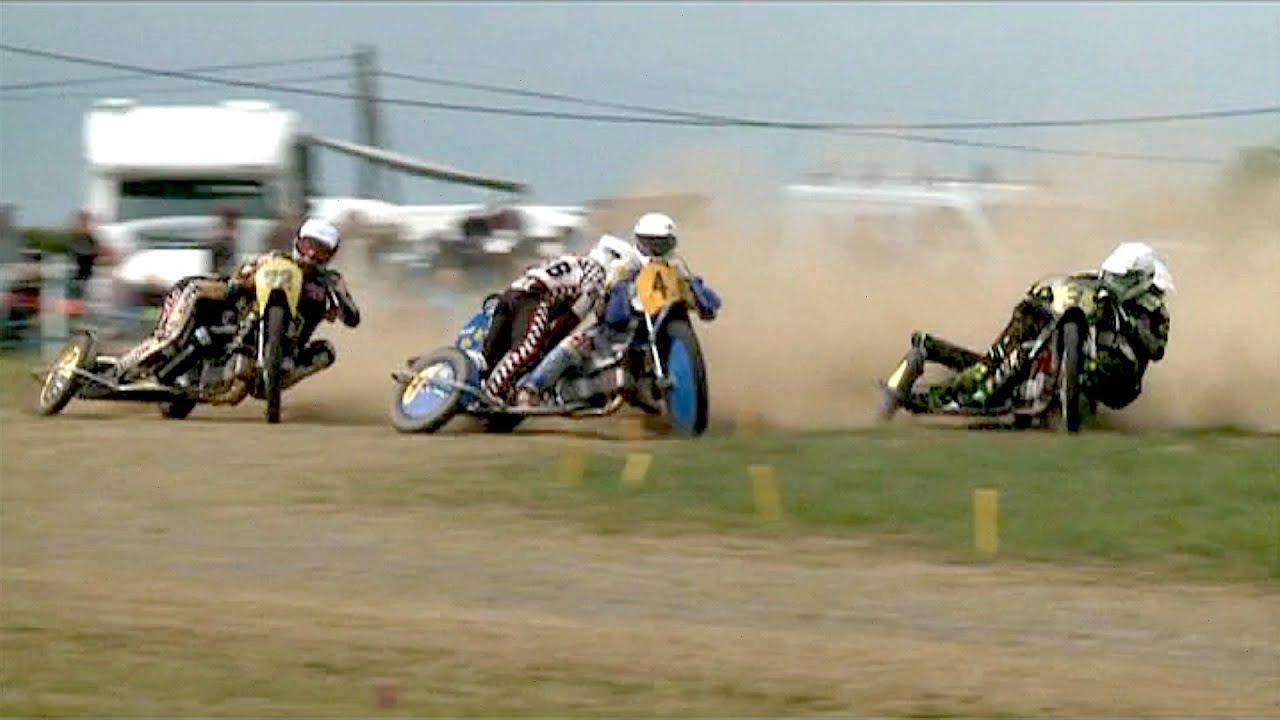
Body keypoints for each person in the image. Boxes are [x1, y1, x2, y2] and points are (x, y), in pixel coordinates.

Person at [884, 240, 1173, 415]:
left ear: (1141, 280)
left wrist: (1130, 327)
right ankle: (940, 380)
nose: (1112, 283)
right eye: (1111, 276)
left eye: (1120, 279)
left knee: (1008, 365)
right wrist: (1045, 298)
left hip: (1118, 382)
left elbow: (1157, 349)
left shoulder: (1155, 310)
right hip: (1075, 362)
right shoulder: (1097, 287)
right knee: (1006, 358)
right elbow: (1070, 289)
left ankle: (962, 385)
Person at [109, 218, 359, 386]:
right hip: (242, 330)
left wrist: (339, 305)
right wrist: (240, 282)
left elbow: (353, 318)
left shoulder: (332, 280)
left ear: (331, 254)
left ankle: (278, 376)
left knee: (326, 351)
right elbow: (239, 277)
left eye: (322, 250)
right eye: (308, 245)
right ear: (298, 242)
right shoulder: (274, 259)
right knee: (194, 295)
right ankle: (124, 367)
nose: (312, 254)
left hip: (291, 351)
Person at [514, 212, 722, 406]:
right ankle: (531, 388)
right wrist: (619, 292)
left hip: (653, 331)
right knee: (576, 342)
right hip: (613, 336)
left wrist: (702, 301)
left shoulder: (675, 269)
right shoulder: (624, 266)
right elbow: (607, 302)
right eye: (651, 243)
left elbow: (704, 297)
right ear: (640, 241)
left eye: (662, 243)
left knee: (629, 380)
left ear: (671, 243)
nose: (656, 249)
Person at [478, 234, 638, 407]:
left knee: (490, 354)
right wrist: (551, 343)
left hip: (513, 291)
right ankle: (492, 393)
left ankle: (475, 383)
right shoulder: (596, 277)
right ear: (615, 261)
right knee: (527, 349)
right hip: (534, 298)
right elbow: (572, 318)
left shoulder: (575, 260)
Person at [64, 210, 101, 312]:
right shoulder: (78, 237)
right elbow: (86, 251)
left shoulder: (89, 238)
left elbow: (95, 251)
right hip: (77, 275)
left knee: (80, 297)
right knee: (75, 297)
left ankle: (77, 313)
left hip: (83, 276)